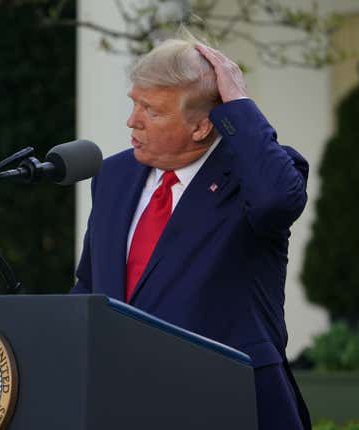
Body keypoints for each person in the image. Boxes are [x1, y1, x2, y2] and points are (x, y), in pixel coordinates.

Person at [71, 36, 311, 430]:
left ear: (201, 127)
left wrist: (237, 104)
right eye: (135, 102)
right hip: (125, 403)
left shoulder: (253, 175)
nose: (132, 119)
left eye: (150, 110)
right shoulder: (114, 176)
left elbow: (277, 201)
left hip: (228, 401)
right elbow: (91, 285)